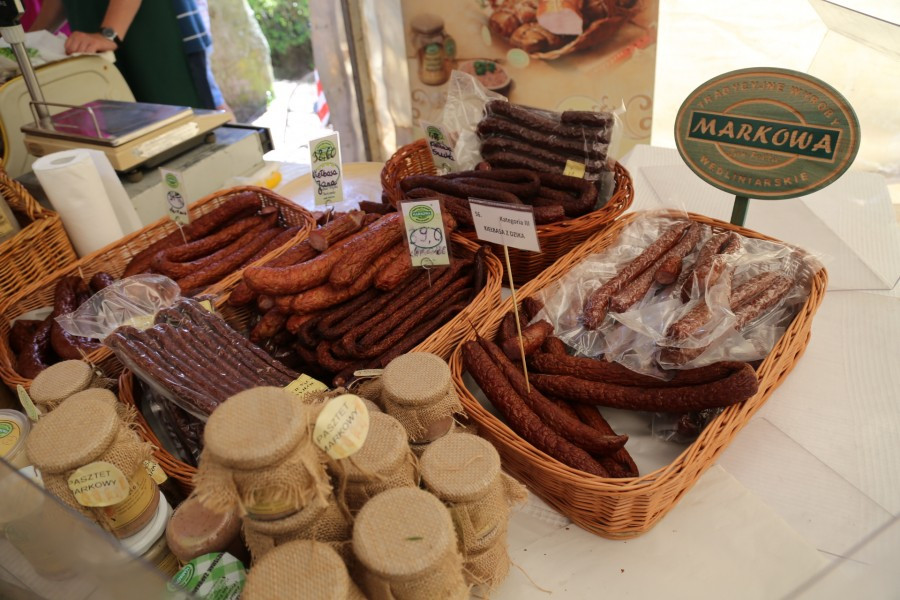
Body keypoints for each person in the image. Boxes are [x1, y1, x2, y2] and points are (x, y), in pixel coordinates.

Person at [29, 0, 228, 111]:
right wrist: (29, 40)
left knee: (188, 125)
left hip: (155, 32)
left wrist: (109, 33)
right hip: (98, 37)